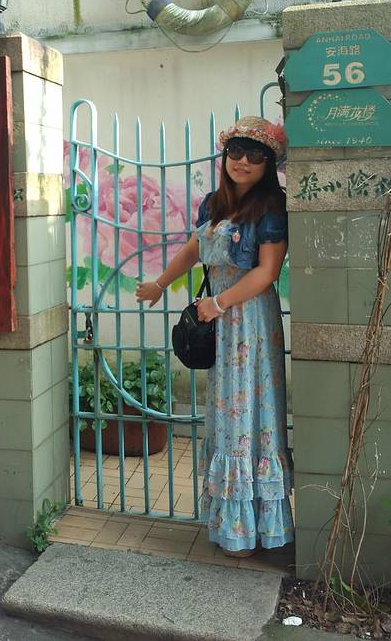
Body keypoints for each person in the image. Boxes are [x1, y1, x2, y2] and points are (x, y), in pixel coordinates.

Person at [136, 116, 293, 557]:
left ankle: (256, 530)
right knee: (226, 416)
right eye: (235, 152)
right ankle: (233, 528)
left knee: (249, 415)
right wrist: (160, 284)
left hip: (250, 322)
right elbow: (194, 248)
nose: (242, 162)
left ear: (268, 164)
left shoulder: (272, 208)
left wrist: (220, 304)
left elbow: (267, 272)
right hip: (220, 318)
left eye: (254, 155)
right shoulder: (213, 203)